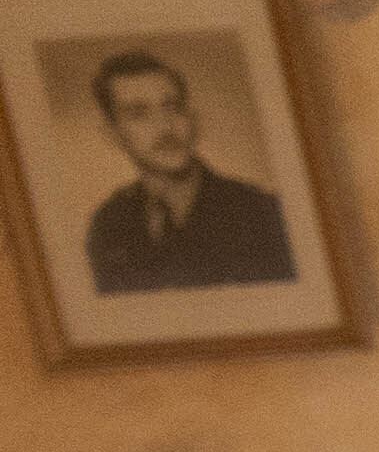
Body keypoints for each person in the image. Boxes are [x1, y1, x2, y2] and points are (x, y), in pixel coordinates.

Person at [79, 49, 297, 294]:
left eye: (172, 107)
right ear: (113, 135)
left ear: (192, 119)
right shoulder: (109, 225)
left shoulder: (261, 213)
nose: (165, 126)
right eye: (138, 113)